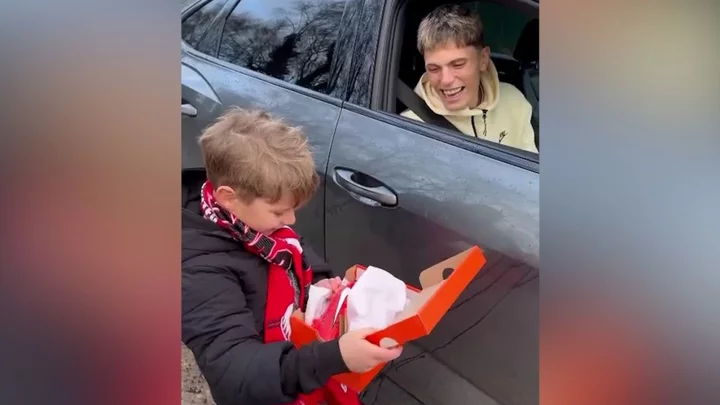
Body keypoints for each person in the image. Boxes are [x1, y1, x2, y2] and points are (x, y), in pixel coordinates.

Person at [181, 108, 403, 405]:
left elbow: (298, 252)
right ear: (228, 196)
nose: (291, 222)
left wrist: (321, 284)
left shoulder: (254, 225)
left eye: (294, 210)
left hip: (298, 370)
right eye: (279, 212)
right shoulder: (197, 270)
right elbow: (235, 375)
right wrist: (333, 358)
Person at [401, 4, 538, 153]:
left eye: (458, 64)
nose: (446, 80)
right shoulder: (409, 129)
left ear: (483, 59)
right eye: (433, 69)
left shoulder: (515, 103)